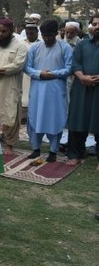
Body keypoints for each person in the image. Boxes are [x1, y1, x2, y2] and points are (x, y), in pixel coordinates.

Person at [24, 19, 73, 163]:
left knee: (54, 118)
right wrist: (40, 74)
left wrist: (52, 74)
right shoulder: (35, 48)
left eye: (50, 36)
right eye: (44, 36)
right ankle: (36, 149)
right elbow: (27, 67)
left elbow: (69, 68)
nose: (47, 39)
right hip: (38, 89)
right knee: (35, 118)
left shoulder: (65, 48)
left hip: (56, 91)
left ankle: (53, 150)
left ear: (56, 33)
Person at [0, 18, 28, 154]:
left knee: (10, 115)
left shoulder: (20, 46)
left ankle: (9, 144)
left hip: (10, 86)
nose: (1, 34)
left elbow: (18, 65)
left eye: (4, 31)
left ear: (11, 31)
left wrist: (0, 70)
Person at [66, 14, 99, 166]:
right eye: (95, 24)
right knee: (77, 120)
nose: (97, 26)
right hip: (81, 88)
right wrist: (82, 77)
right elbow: (75, 63)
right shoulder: (82, 44)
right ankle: (75, 155)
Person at [20, 23, 41, 123]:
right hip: (23, 75)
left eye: (32, 33)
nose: (29, 35)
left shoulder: (41, 43)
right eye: (27, 33)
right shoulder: (20, 43)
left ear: (37, 32)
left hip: (37, 73)